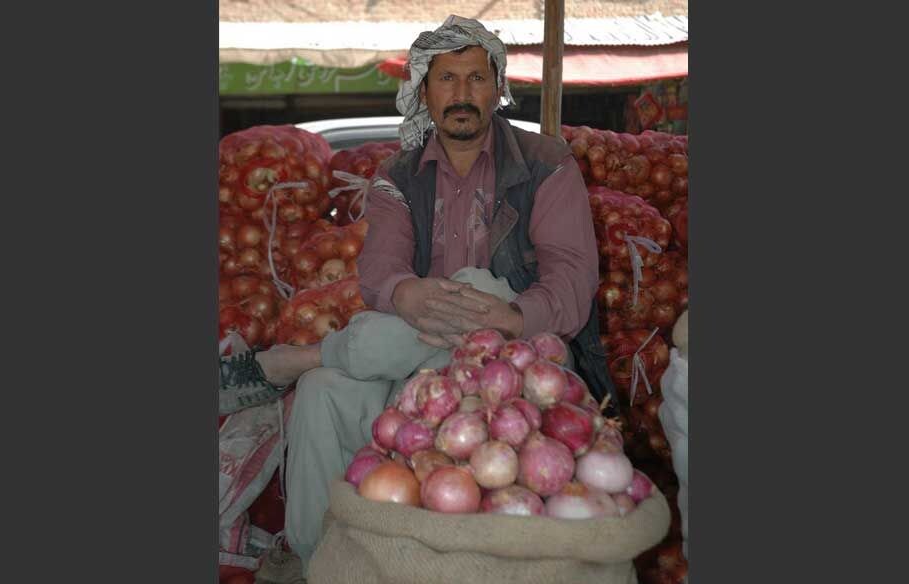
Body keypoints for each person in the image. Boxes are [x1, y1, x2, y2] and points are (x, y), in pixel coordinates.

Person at [218, 15, 617, 583]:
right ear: (423, 91)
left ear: (497, 86)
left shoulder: (547, 164)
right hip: (414, 353)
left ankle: (311, 352)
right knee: (321, 393)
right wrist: (405, 294)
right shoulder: (397, 175)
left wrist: (505, 316)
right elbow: (381, 268)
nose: (462, 94)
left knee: (479, 286)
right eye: (447, 79)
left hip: (517, 358)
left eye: (476, 79)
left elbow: (573, 281)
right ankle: (320, 563)